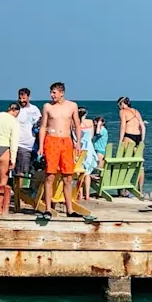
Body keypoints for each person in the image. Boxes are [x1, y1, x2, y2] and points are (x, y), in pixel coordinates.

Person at [38, 82, 83, 217]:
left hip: (66, 141)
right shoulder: (47, 107)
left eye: (54, 92)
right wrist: (41, 146)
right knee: (50, 175)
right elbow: (43, 127)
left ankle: (69, 209)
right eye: (51, 92)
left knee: (68, 176)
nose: (52, 95)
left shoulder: (72, 106)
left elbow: (77, 125)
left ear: (62, 93)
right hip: (52, 140)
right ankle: (48, 208)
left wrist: (78, 142)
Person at [117, 96, 146, 190]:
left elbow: (123, 126)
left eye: (119, 105)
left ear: (122, 104)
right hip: (138, 137)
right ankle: (140, 189)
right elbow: (143, 126)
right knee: (140, 166)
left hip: (128, 136)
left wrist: (120, 140)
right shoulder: (136, 111)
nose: (119, 108)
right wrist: (142, 140)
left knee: (125, 163)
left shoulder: (122, 112)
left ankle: (124, 188)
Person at [15, 88, 41, 176]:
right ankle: (19, 189)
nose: (21, 100)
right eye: (20, 98)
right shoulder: (16, 109)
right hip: (21, 145)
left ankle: (30, 189)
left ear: (29, 97)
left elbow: (40, 122)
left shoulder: (35, 109)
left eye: (24, 98)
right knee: (21, 172)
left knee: (32, 171)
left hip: (33, 146)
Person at [78, 107, 97, 200]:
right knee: (88, 172)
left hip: (80, 147)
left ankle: (80, 194)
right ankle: (88, 195)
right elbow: (92, 135)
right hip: (89, 148)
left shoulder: (75, 123)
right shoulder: (90, 122)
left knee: (80, 171)